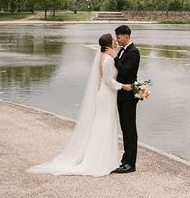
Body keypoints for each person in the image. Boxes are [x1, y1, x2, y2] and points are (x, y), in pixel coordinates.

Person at [27, 33, 132, 177]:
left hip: (107, 95)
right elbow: (108, 81)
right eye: (114, 40)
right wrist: (124, 86)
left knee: (104, 125)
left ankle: (103, 158)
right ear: (108, 44)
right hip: (107, 95)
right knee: (104, 126)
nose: (116, 42)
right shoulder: (107, 59)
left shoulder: (104, 57)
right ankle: (98, 161)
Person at [105, 24, 140, 173]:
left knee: (130, 129)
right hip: (121, 95)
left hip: (129, 97)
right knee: (125, 128)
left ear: (126, 36)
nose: (117, 40)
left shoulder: (134, 52)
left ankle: (131, 164)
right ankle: (125, 159)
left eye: (118, 37)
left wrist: (114, 57)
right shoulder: (122, 51)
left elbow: (125, 72)